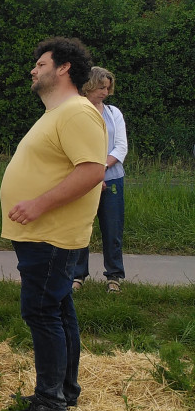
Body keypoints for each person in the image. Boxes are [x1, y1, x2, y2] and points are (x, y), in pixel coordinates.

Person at [0, 38, 106, 411]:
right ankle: (64, 391)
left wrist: (37, 204)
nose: (34, 69)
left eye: (41, 63)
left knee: (42, 311)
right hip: (42, 234)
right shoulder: (58, 113)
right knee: (58, 309)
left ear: (63, 68)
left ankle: (49, 403)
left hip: (51, 233)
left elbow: (92, 170)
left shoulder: (77, 112)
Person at [71, 67, 128, 293]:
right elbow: (73, 148)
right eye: (101, 87)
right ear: (88, 85)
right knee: (82, 229)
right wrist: (90, 177)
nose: (105, 92)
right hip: (82, 182)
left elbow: (121, 147)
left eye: (107, 88)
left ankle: (114, 277)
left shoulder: (114, 114)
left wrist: (99, 171)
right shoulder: (75, 112)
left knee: (112, 230)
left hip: (112, 181)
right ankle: (77, 276)